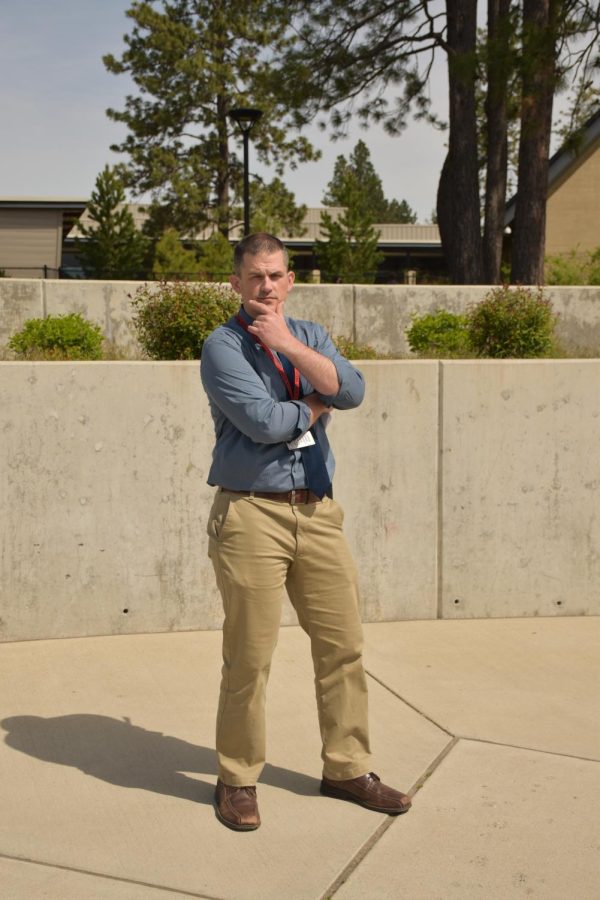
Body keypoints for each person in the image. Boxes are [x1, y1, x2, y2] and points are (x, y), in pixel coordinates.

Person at [200, 232, 411, 831]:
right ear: (236, 283)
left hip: (317, 510)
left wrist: (288, 344)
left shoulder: (310, 335)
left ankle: (346, 767)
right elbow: (266, 423)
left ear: (289, 280)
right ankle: (237, 778)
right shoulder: (223, 347)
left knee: (343, 646)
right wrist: (318, 405)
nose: (266, 286)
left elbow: (353, 389)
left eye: (276, 275)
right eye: (254, 277)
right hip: (250, 515)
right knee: (249, 657)